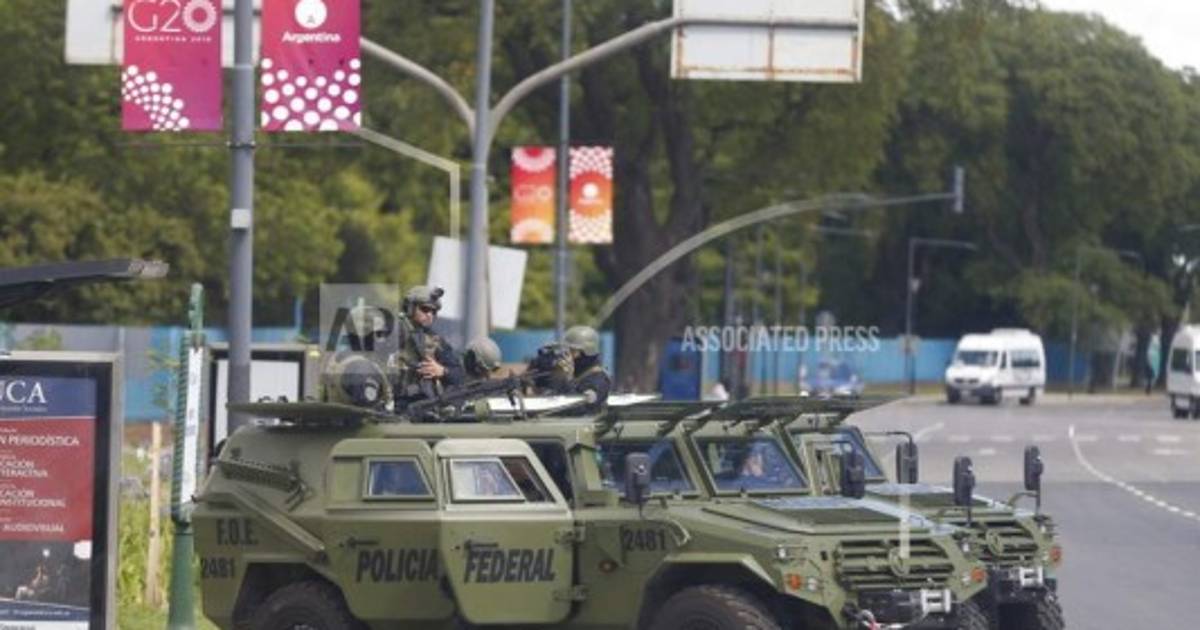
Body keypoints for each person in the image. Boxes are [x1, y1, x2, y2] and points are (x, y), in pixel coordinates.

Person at [392, 286, 464, 410]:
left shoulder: (434, 340)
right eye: (425, 309)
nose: (430, 315)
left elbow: (458, 374)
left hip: (425, 406)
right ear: (410, 308)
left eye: (434, 312)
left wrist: (442, 371)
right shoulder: (393, 331)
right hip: (393, 406)